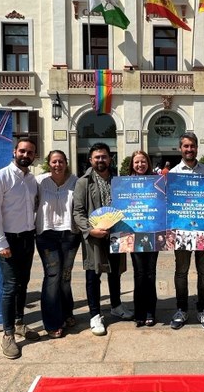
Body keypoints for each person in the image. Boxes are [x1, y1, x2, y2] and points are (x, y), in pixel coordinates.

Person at [0, 137, 41, 359]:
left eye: (30, 152)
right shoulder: (0, 177)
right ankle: (8, 334)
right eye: (22, 151)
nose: (25, 155)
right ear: (14, 152)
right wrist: (0, 243)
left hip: (27, 238)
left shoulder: (32, 180)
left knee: (23, 283)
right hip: (7, 239)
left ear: (34, 156)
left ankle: (19, 322)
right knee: (10, 286)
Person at [72, 142, 131, 336]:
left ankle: (116, 305)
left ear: (110, 158)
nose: (100, 160)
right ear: (90, 160)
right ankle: (95, 315)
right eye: (96, 157)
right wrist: (90, 230)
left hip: (116, 234)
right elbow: (78, 212)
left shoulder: (118, 181)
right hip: (94, 236)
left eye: (104, 156)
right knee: (93, 274)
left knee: (115, 272)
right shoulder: (83, 182)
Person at [168, 132, 204, 332]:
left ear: (197, 148)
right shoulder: (173, 174)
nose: (189, 149)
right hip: (182, 231)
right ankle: (181, 309)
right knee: (181, 271)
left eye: (192, 146)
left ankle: (203, 309)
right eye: (186, 146)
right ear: (180, 148)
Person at [35, 150, 80, 339]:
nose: (57, 165)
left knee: (65, 277)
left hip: (70, 234)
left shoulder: (75, 182)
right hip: (47, 234)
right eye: (54, 162)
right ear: (48, 163)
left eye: (61, 161)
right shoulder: (39, 181)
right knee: (53, 277)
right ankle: (52, 322)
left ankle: (67, 312)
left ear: (66, 163)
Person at [128, 150, 159, 327]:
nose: (140, 165)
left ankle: (150, 311)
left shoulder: (156, 181)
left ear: (148, 163)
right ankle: (139, 312)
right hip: (133, 234)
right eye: (137, 162)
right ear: (132, 164)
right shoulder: (125, 183)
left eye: (143, 162)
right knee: (139, 273)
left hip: (153, 233)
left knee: (150, 273)